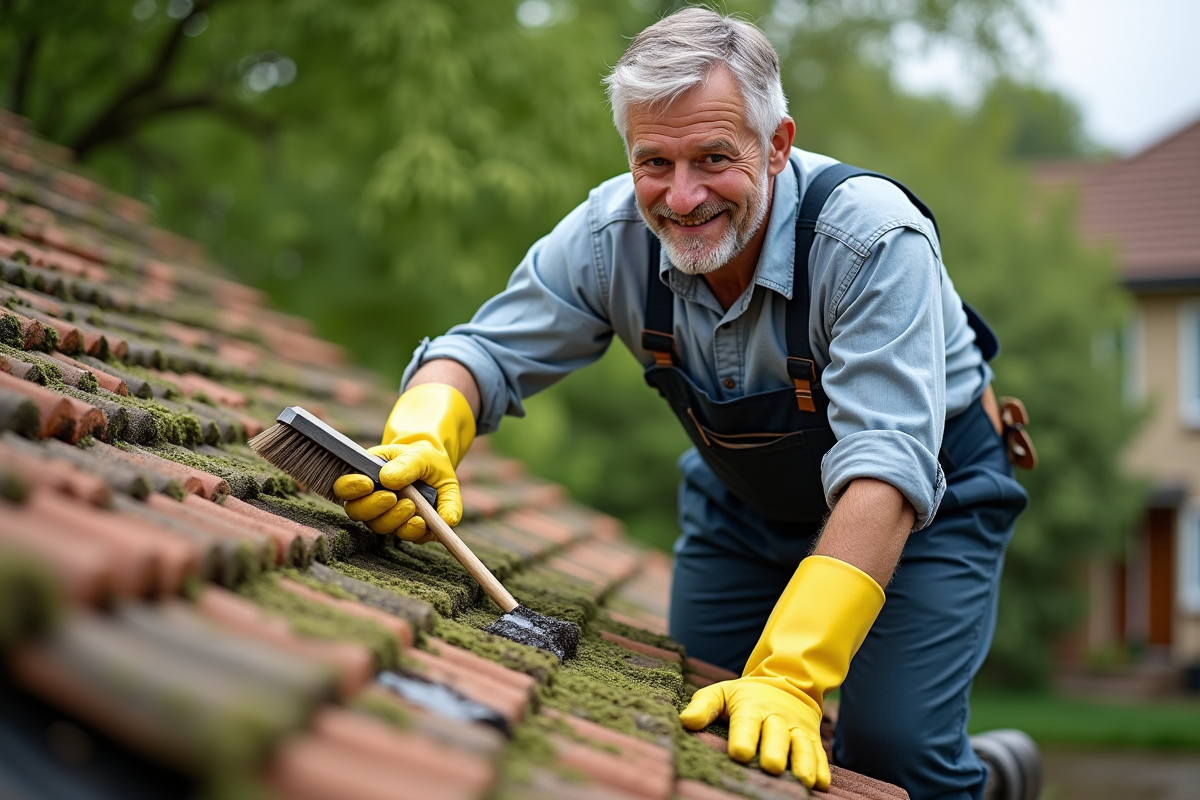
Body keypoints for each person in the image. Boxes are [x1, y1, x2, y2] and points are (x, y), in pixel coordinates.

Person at [333, 8, 1031, 800]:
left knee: (894, 751)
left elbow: (886, 467)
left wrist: (790, 674)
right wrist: (423, 432)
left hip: (924, 503)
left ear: (777, 146)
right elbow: (481, 352)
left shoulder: (872, 243)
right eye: (654, 161)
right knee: (699, 725)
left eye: (713, 157)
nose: (682, 195)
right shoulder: (609, 236)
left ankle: (993, 777)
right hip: (742, 509)